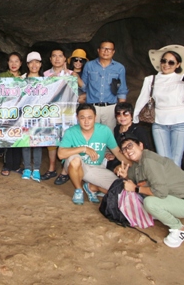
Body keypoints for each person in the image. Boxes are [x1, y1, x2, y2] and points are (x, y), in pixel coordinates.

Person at [116, 135, 184, 248]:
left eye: (130, 145)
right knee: (144, 196)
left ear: (141, 145)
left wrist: (135, 188)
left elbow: (160, 192)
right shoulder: (139, 163)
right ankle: (162, 212)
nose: (128, 150)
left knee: (149, 203)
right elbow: (134, 179)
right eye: (124, 149)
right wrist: (125, 176)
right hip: (176, 197)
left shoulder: (149, 160)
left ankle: (179, 229)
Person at [134, 45, 184, 167]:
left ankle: (175, 180)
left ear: (178, 65)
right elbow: (142, 99)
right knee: (163, 160)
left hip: (181, 122)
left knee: (175, 160)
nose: (166, 64)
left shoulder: (182, 79)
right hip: (159, 122)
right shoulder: (151, 79)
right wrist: (135, 118)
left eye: (171, 62)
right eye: (164, 61)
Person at [57, 103, 128, 205]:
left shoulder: (104, 130)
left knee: (121, 190)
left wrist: (131, 163)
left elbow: (117, 152)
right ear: (77, 118)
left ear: (95, 117)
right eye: (82, 118)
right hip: (76, 167)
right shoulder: (71, 132)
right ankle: (78, 190)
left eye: (90, 118)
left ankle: (92, 187)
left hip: (96, 167)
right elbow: (60, 154)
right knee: (75, 159)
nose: (86, 122)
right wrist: (84, 149)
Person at [0, 53, 33, 178]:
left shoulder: (26, 77)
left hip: (22, 111)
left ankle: (17, 165)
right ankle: (7, 165)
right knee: (8, 138)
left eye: (17, 61)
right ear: (7, 63)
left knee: (19, 137)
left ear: (21, 63)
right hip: (7, 111)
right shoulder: (3, 76)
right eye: (11, 61)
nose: (14, 64)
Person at [81, 41, 128, 129]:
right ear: (98, 50)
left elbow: (122, 90)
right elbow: (83, 86)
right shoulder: (89, 65)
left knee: (109, 133)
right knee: (91, 133)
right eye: (103, 48)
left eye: (109, 49)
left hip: (110, 108)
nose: (106, 51)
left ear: (113, 52)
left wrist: (122, 110)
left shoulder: (119, 68)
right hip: (92, 107)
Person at [44, 48, 75, 185]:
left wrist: (69, 77)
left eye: (60, 56)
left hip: (67, 113)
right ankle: (51, 168)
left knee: (67, 140)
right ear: (50, 59)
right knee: (51, 140)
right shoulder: (45, 74)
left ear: (64, 59)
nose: (57, 59)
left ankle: (64, 171)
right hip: (51, 111)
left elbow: (81, 89)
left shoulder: (71, 74)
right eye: (54, 56)